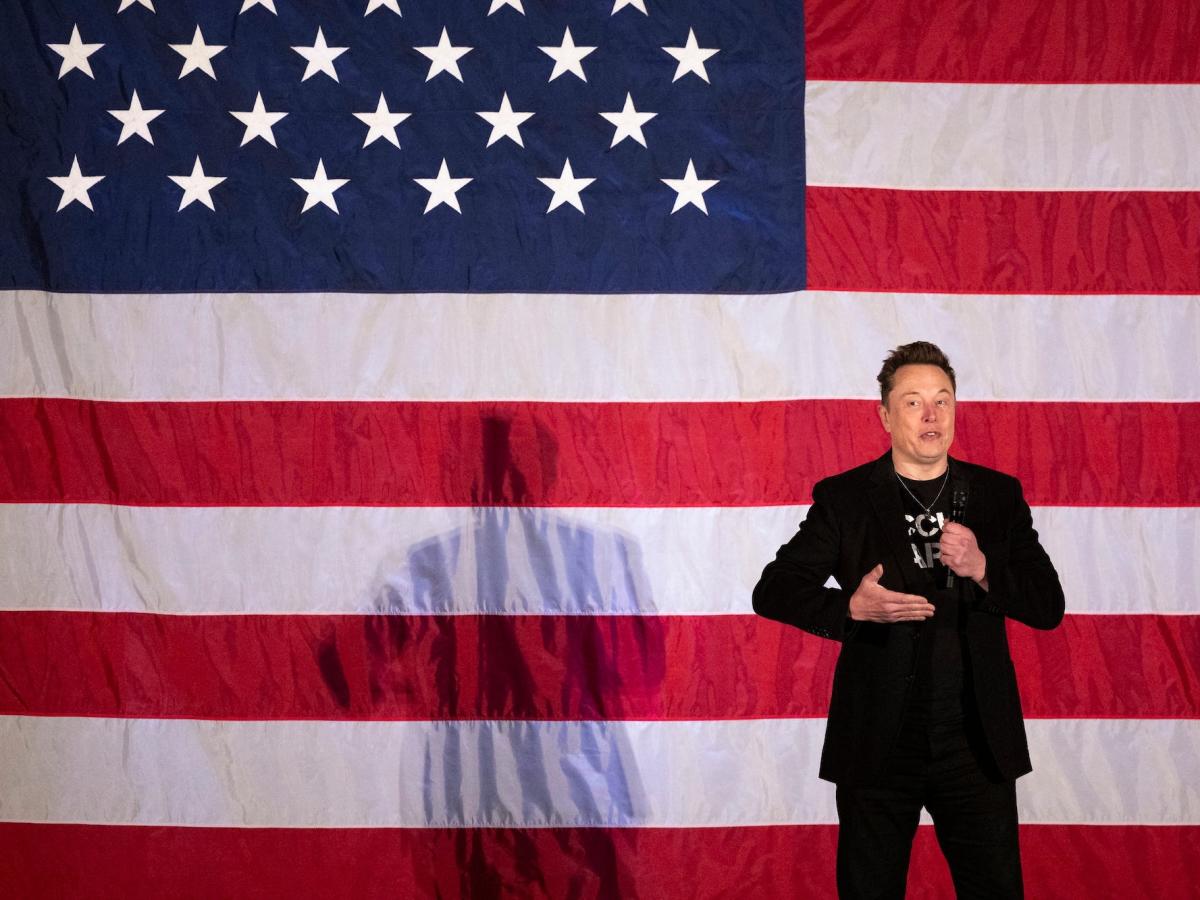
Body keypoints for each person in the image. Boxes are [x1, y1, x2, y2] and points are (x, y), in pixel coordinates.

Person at [752, 341, 1064, 899]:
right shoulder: (846, 499)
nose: (930, 415)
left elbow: (1048, 606)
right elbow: (773, 590)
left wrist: (984, 569)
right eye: (914, 402)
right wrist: (849, 608)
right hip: (878, 741)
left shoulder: (997, 496)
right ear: (885, 416)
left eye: (942, 401)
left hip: (974, 743)